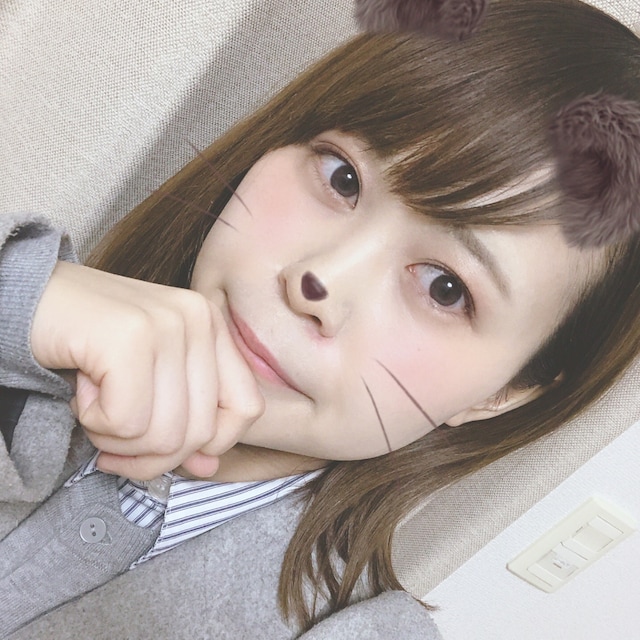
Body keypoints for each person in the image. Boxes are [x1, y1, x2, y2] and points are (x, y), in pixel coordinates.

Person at [1, 0, 639, 637]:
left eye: (445, 289)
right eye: (343, 178)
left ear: (504, 392)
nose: (319, 280)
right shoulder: (29, 310)